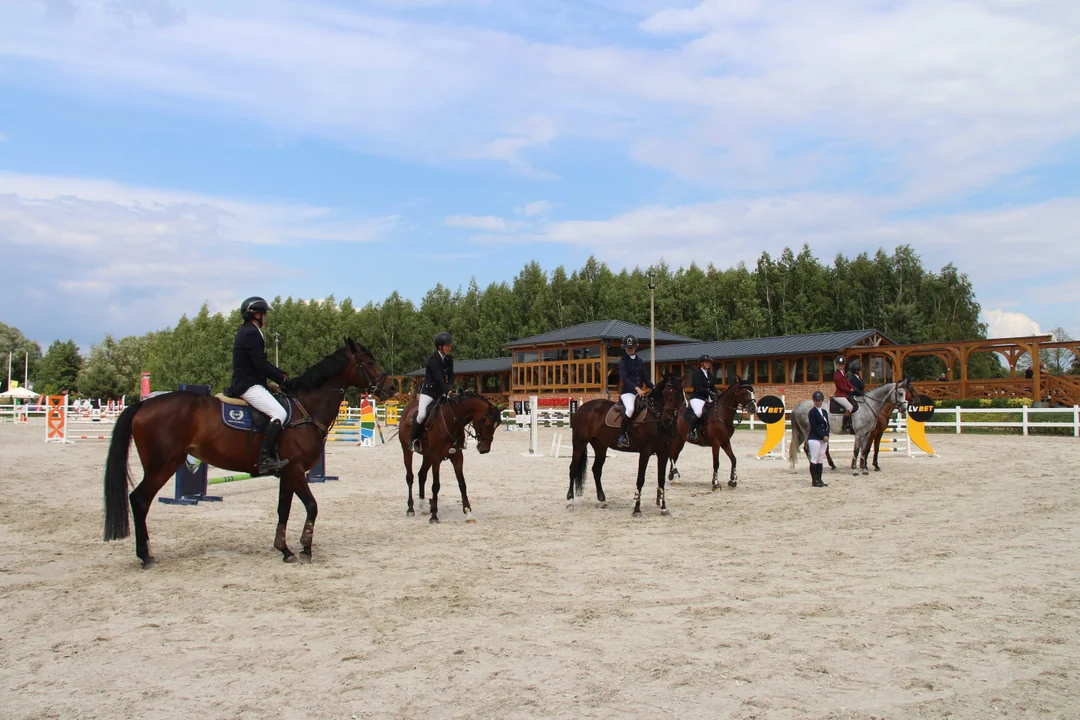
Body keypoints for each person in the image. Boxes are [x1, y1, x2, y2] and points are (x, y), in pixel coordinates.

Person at [227, 296, 290, 475]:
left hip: (252, 381)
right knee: (280, 413)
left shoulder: (249, 331)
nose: (266, 318)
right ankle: (264, 459)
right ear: (257, 315)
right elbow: (260, 364)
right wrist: (282, 378)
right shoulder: (251, 333)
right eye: (264, 314)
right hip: (248, 385)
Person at [410, 332, 455, 452]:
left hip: (442, 391)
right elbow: (439, 378)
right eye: (447, 346)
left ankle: (455, 440)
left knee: (453, 410)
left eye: (450, 346)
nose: (450, 348)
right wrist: (448, 391)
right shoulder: (432, 359)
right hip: (429, 392)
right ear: (440, 346)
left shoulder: (449, 359)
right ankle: (414, 440)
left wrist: (450, 388)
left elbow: (450, 377)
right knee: (422, 415)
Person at [617, 335, 653, 448]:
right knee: (630, 409)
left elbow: (645, 377)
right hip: (627, 392)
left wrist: (654, 387)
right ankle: (622, 436)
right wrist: (636, 388)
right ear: (625, 348)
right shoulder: (623, 361)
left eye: (631, 347)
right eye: (628, 347)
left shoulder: (640, 361)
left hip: (639, 392)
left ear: (635, 348)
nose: (629, 349)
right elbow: (625, 378)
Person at [687, 354, 716, 442]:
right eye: (706, 362)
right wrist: (709, 392)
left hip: (707, 397)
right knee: (699, 412)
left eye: (709, 362)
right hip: (697, 398)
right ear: (701, 363)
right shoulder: (697, 373)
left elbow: (712, 386)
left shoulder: (709, 374)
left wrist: (717, 393)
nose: (708, 364)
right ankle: (690, 432)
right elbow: (697, 387)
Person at [807, 390, 829, 487]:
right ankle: (814, 480)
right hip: (814, 438)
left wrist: (827, 435)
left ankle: (820, 479)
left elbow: (827, 425)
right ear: (814, 401)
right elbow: (814, 426)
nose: (818, 402)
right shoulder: (812, 412)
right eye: (816, 400)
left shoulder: (824, 412)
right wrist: (822, 436)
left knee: (820, 459)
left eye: (819, 400)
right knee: (814, 458)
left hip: (824, 439)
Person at [832, 356, 856, 433]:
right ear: (836, 365)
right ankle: (844, 425)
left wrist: (855, 388)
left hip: (844, 395)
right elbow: (841, 387)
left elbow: (848, 383)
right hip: (839, 395)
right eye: (839, 364)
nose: (841, 366)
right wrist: (850, 390)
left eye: (842, 364)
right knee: (850, 407)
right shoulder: (837, 375)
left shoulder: (842, 373)